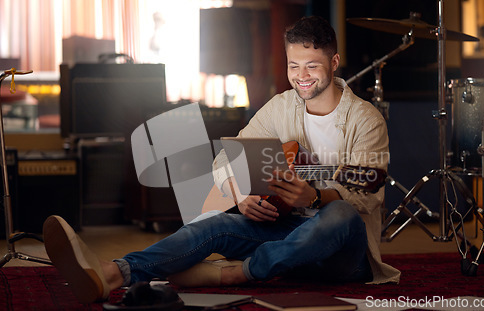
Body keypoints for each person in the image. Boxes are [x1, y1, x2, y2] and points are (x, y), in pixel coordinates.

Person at [43, 16, 401, 304]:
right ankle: (112, 273)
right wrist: (239, 195)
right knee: (211, 224)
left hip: (340, 255)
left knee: (339, 214)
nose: (301, 77)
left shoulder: (365, 119)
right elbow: (227, 158)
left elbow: (367, 195)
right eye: (294, 66)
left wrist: (316, 197)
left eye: (312, 66)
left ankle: (235, 272)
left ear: (334, 62)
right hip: (285, 231)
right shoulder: (281, 106)